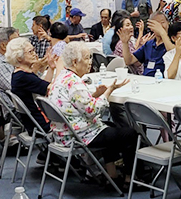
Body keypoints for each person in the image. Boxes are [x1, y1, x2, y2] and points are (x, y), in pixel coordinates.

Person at [48, 41, 136, 189]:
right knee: (130, 133)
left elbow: (78, 105)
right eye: (87, 58)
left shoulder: (62, 78)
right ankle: (130, 178)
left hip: (63, 134)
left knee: (110, 128)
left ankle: (112, 175)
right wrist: (108, 92)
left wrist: (96, 94)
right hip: (79, 136)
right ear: (75, 62)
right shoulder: (75, 83)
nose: (90, 62)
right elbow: (92, 110)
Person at [8, 37, 59, 135]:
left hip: (32, 122)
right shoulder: (24, 77)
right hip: (41, 123)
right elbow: (53, 89)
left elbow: (43, 86)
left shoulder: (19, 74)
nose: (35, 54)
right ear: (19, 57)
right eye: (30, 52)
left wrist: (51, 68)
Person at [120, 13, 173, 77]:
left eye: (162, 22)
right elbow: (129, 61)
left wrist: (162, 32)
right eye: (156, 24)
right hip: (146, 79)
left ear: (168, 23)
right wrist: (125, 43)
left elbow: (173, 52)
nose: (160, 26)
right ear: (151, 27)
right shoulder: (149, 44)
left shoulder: (173, 41)